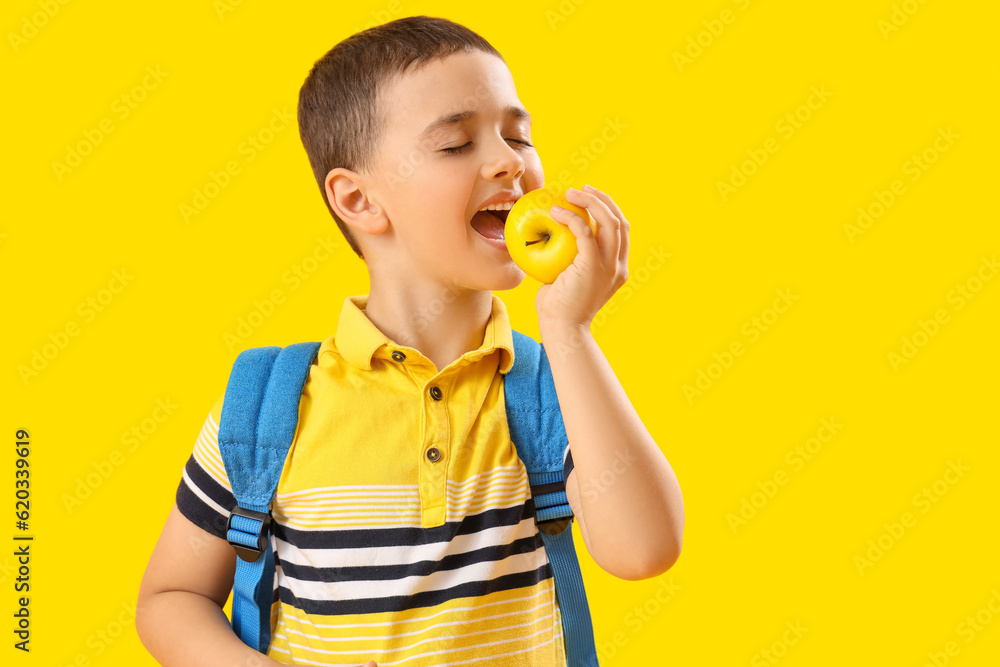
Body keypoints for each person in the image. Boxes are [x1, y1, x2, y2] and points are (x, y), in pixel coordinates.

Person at [136, 15, 683, 667]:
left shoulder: (550, 390)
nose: (510, 160)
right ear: (360, 200)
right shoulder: (268, 408)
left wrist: (569, 329)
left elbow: (644, 549)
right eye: (457, 144)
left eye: (518, 135)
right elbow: (171, 596)